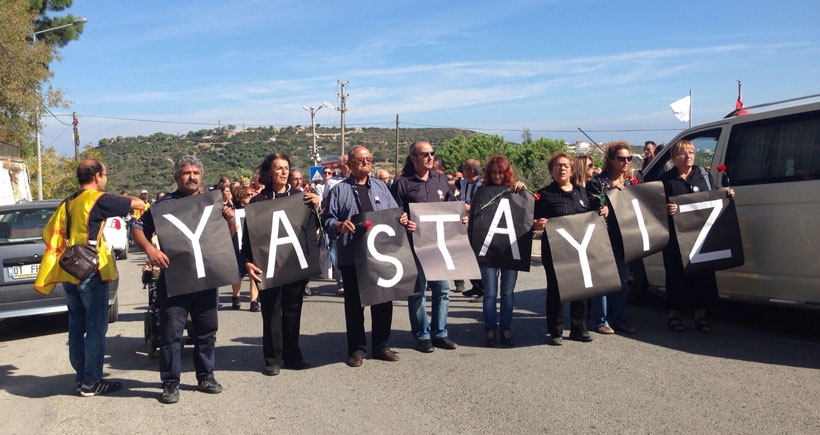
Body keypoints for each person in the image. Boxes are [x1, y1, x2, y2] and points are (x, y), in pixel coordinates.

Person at [35, 159, 143, 397]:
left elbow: (48, 232)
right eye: (105, 174)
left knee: (76, 326)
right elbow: (138, 203)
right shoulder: (98, 199)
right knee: (96, 327)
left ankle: (81, 377)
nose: (106, 178)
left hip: (70, 269)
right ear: (96, 176)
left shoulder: (69, 201)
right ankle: (92, 381)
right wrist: (118, 198)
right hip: (91, 270)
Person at [132, 155, 225, 404]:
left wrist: (230, 220)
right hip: (175, 280)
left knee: (206, 331)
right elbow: (137, 229)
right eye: (186, 173)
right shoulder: (164, 205)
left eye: (196, 172)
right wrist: (151, 251)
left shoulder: (211, 201)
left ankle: (206, 376)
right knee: (171, 334)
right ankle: (170, 382)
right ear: (176, 177)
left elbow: (226, 234)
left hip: (206, 278)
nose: (192, 176)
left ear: (201, 176)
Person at [323, 145, 415, 367]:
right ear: (350, 164)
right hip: (353, 256)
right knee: (354, 305)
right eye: (360, 160)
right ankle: (357, 349)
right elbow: (327, 221)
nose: (366, 163)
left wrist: (403, 219)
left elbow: (396, 213)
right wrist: (339, 225)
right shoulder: (338, 190)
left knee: (383, 301)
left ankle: (382, 346)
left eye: (369, 159)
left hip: (380, 255)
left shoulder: (382, 188)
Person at [242, 153, 319, 376]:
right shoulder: (258, 202)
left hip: (294, 263)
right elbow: (249, 237)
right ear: (269, 173)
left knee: (293, 310)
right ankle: (273, 358)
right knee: (272, 311)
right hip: (268, 266)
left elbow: (312, 229)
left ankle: (293, 355)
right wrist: (247, 260)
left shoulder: (301, 197)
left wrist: (317, 206)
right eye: (278, 168)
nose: (284, 172)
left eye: (286, 168)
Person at [660, 140, 735, 332]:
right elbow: (655, 206)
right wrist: (666, 208)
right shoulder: (666, 180)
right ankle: (674, 315)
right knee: (675, 274)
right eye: (683, 153)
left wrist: (727, 194)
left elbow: (713, 198)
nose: (689, 156)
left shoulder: (703, 175)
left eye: (691, 152)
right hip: (676, 237)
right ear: (674, 157)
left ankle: (700, 316)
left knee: (702, 275)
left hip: (701, 236)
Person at [534, 152, 606, 346]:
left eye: (565, 165)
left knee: (580, 288)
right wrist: (537, 224)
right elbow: (532, 220)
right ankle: (555, 331)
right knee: (556, 290)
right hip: (555, 249)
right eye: (557, 166)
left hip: (579, 248)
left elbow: (593, 212)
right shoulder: (544, 194)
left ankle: (578, 328)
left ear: (572, 169)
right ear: (551, 171)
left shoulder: (582, 192)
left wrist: (602, 210)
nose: (562, 168)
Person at [393, 140, 459, 353]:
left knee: (443, 290)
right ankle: (422, 335)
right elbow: (394, 214)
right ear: (413, 158)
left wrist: (460, 217)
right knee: (417, 293)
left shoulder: (441, 180)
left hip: (439, 246)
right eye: (425, 155)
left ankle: (440, 333)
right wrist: (403, 220)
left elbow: (450, 206)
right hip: (415, 246)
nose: (430, 157)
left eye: (432, 153)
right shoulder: (402, 183)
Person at [473, 155, 526, 346]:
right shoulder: (482, 192)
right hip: (488, 249)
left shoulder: (516, 191)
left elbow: (525, 214)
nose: (496, 175)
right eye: (493, 171)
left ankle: (505, 328)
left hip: (510, 249)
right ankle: (490, 329)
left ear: (506, 172)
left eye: (500, 171)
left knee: (508, 293)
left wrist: (523, 190)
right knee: (489, 293)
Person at [586, 141, 637, 335]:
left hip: (625, 238)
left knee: (622, 282)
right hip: (603, 237)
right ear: (611, 160)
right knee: (603, 281)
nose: (625, 162)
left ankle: (620, 319)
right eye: (621, 158)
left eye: (629, 158)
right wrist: (608, 195)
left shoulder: (632, 183)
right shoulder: (597, 182)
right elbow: (590, 207)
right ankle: (600, 320)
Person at [321, 156, 350, 296]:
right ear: (340, 166)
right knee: (337, 253)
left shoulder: (358, 180)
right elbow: (325, 203)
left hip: (354, 223)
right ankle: (341, 282)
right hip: (338, 223)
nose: (349, 166)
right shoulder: (332, 182)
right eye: (346, 164)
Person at [458, 158, 486, 298]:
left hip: (476, 224)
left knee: (476, 258)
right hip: (464, 223)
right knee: (467, 257)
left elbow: (482, 206)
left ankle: (483, 288)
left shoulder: (482, 185)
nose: (462, 171)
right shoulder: (464, 183)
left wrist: (466, 207)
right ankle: (475, 285)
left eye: (464, 168)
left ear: (472, 171)